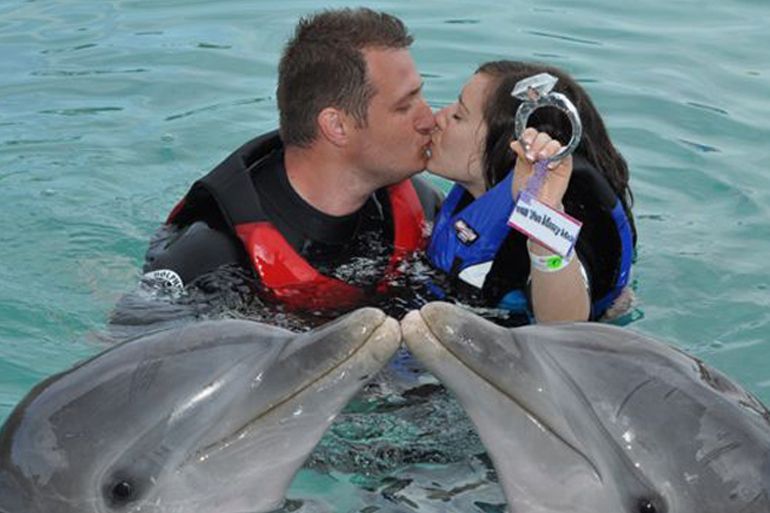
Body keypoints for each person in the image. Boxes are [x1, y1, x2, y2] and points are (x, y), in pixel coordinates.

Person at [142, 8, 441, 314]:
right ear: (336, 126)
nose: (430, 119)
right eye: (405, 106)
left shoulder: (424, 210)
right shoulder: (210, 256)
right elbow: (133, 352)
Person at [425, 60, 636, 325]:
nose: (437, 118)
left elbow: (565, 325)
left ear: (507, 146)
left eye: (459, 116)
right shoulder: (477, 191)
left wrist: (543, 217)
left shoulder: (570, 204)